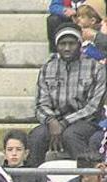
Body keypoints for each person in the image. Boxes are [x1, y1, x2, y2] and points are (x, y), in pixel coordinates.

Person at [28, 24, 106, 168]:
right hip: (54, 121)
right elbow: (40, 104)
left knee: (71, 135)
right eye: (62, 44)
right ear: (57, 46)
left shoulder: (96, 68)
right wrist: (51, 121)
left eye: (71, 43)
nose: (67, 48)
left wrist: (64, 123)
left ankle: (90, 179)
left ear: (80, 44)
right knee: (37, 136)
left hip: (86, 121)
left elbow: (93, 107)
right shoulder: (47, 68)